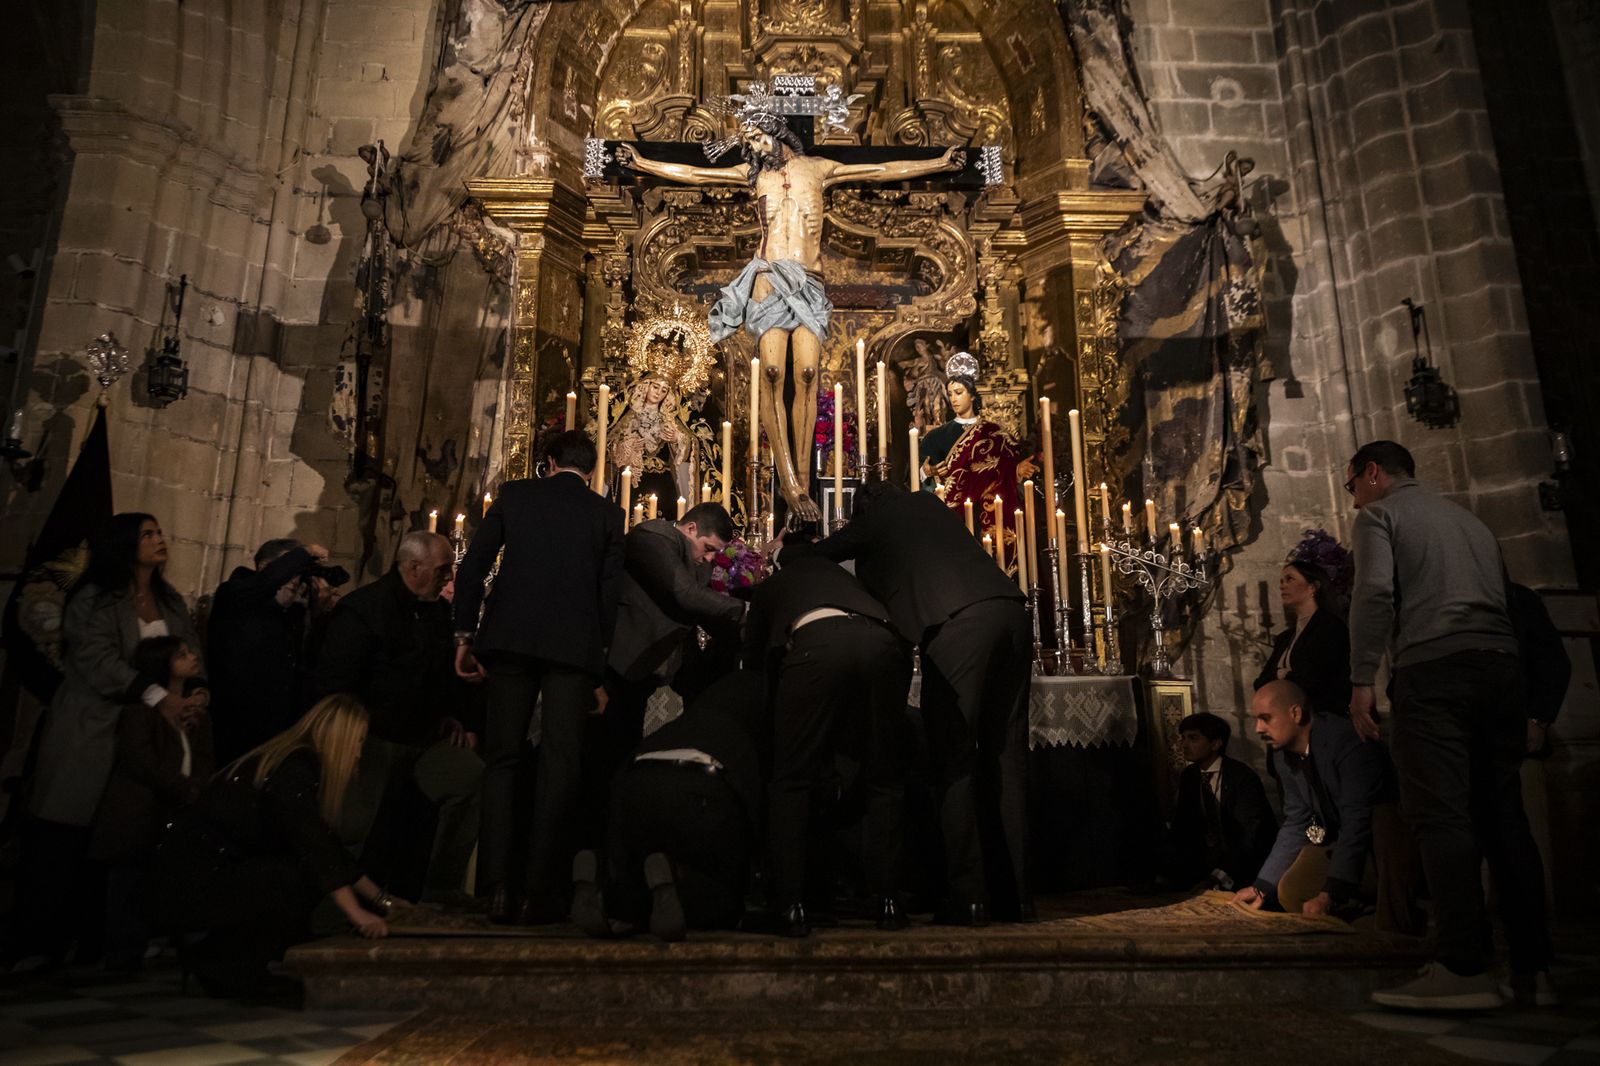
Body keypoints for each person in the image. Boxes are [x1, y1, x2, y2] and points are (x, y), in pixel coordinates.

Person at [620, 111, 964, 521]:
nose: (754, 147)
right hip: (767, 276)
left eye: (758, 138)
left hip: (810, 281)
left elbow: (881, 168)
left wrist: (939, 164)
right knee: (770, 374)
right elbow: (694, 174)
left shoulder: (817, 169)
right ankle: (790, 481)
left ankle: (802, 475)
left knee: (806, 375)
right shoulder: (753, 175)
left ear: (775, 131)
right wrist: (642, 164)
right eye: (748, 142)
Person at [1344, 440, 1551, 1009]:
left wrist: (1362, 678)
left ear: (1372, 473)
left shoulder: (1379, 515)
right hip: (1500, 670)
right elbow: (1506, 603)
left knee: (1442, 817)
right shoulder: (1472, 523)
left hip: (1435, 672)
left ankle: (1463, 966)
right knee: (1504, 820)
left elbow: (1376, 594)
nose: (1354, 498)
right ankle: (1534, 971)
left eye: (1352, 486)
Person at [805, 480, 1031, 925]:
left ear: (864, 510)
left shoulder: (877, 520)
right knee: (1006, 759)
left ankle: (968, 898)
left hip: (959, 626)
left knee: (954, 760)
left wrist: (781, 551)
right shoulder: (929, 506)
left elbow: (824, 551)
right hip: (1011, 613)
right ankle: (1017, 899)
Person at [3, 514, 207, 970]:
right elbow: (95, 657)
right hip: (93, 727)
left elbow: (190, 648)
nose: (159, 540)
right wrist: (155, 695)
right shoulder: (96, 600)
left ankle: (106, 940)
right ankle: (40, 942)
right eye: (147, 534)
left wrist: (197, 693)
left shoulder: (169, 599)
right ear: (123, 545)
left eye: (159, 532)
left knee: (121, 837)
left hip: (149, 734)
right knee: (67, 835)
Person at [453, 429, 624, 925]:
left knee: (502, 759)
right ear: (590, 470)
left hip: (509, 640)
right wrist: (598, 667)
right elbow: (607, 598)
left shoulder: (515, 496)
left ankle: (496, 888)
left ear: (547, 461)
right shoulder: (607, 515)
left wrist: (465, 633)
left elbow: (474, 568)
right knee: (560, 764)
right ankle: (539, 891)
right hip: (573, 651)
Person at [152, 695, 400, 998]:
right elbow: (314, 844)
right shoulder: (295, 766)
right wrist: (357, 914)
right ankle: (227, 966)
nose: (359, 752)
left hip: (207, 875)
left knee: (297, 872)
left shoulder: (297, 763)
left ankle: (235, 964)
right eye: (358, 741)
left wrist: (384, 901)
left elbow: (327, 846)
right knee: (291, 877)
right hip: (192, 881)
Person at [742, 547, 913, 936]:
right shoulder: (848, 580)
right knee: (884, 779)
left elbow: (755, 663)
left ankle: (789, 905)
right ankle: (888, 903)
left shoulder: (777, 582)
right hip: (884, 644)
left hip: (817, 645)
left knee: (791, 781)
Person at [313, 531, 482, 909]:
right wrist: (349, 741)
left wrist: (452, 715)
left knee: (469, 775)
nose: (448, 578)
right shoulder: (363, 610)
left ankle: (440, 887)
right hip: (372, 737)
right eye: (442, 570)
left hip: (423, 738)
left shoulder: (438, 612)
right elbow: (336, 682)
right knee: (357, 822)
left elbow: (440, 672)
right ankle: (337, 907)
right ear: (413, 567)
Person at [571, 671, 766, 942]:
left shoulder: (683, 722)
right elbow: (758, 805)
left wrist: (617, 858)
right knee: (723, 897)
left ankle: (607, 887)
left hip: (638, 779)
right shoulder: (744, 728)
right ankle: (679, 877)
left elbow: (620, 783)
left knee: (645, 883)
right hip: (701, 785)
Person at [1237, 682, 1417, 935]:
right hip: (1341, 841)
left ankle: (1394, 919)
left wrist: (1330, 893)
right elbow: (1297, 820)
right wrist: (1262, 885)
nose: (1258, 729)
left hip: (1384, 843)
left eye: (1266, 719)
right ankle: (1357, 906)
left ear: (1295, 713)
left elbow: (1358, 819)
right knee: (1292, 890)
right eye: (1256, 720)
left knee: (1384, 818)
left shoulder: (1347, 740)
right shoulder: (1282, 754)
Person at [90, 635, 216, 972]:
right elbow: (140, 758)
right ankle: (122, 953)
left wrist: (197, 786)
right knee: (128, 882)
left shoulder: (193, 710)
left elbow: (203, 757)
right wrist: (179, 785)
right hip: (140, 810)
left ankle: (166, 940)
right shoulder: (141, 711)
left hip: (177, 808)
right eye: (182, 655)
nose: (191, 658)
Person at [604, 502, 745, 768]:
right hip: (624, 661)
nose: (710, 558)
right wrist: (744, 609)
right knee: (615, 747)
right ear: (691, 528)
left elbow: (702, 610)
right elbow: (685, 594)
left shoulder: (696, 558)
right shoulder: (651, 536)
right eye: (709, 548)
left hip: (664, 658)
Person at [208, 538, 342, 763]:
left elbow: (302, 663)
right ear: (263, 568)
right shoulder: (234, 592)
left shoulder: (290, 613)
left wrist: (317, 615)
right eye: (291, 569)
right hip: (235, 724)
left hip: (276, 728)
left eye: (300, 573)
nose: (296, 579)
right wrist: (306, 551)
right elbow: (263, 585)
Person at [1161, 712, 1275, 893]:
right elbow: (1183, 828)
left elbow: (1250, 835)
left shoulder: (1242, 777)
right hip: (1204, 863)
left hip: (1244, 864)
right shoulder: (1189, 776)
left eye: (1193, 738)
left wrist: (1219, 876)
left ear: (1215, 743)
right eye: (1183, 738)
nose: (1183, 745)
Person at [919, 365, 1021, 567]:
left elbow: (1007, 467)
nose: (954, 399)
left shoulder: (993, 432)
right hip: (952, 514)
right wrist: (926, 472)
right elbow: (916, 475)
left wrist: (1017, 469)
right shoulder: (936, 437)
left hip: (988, 509)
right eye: (950, 394)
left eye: (959, 393)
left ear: (973, 395)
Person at [1252, 560, 1351, 717]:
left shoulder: (1330, 628)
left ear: (1312, 587)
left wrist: (1282, 676)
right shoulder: (1285, 638)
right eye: (1281, 581)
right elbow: (1259, 682)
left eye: (1290, 579)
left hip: (1322, 717)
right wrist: (1282, 674)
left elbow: (1317, 680)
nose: (1282, 586)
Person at [610, 374, 689, 505]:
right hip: (631, 478)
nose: (658, 393)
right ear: (646, 386)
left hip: (662, 480)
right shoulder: (629, 416)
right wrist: (627, 446)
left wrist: (676, 439)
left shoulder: (670, 420)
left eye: (664, 390)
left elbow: (688, 445)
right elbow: (609, 442)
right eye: (655, 387)